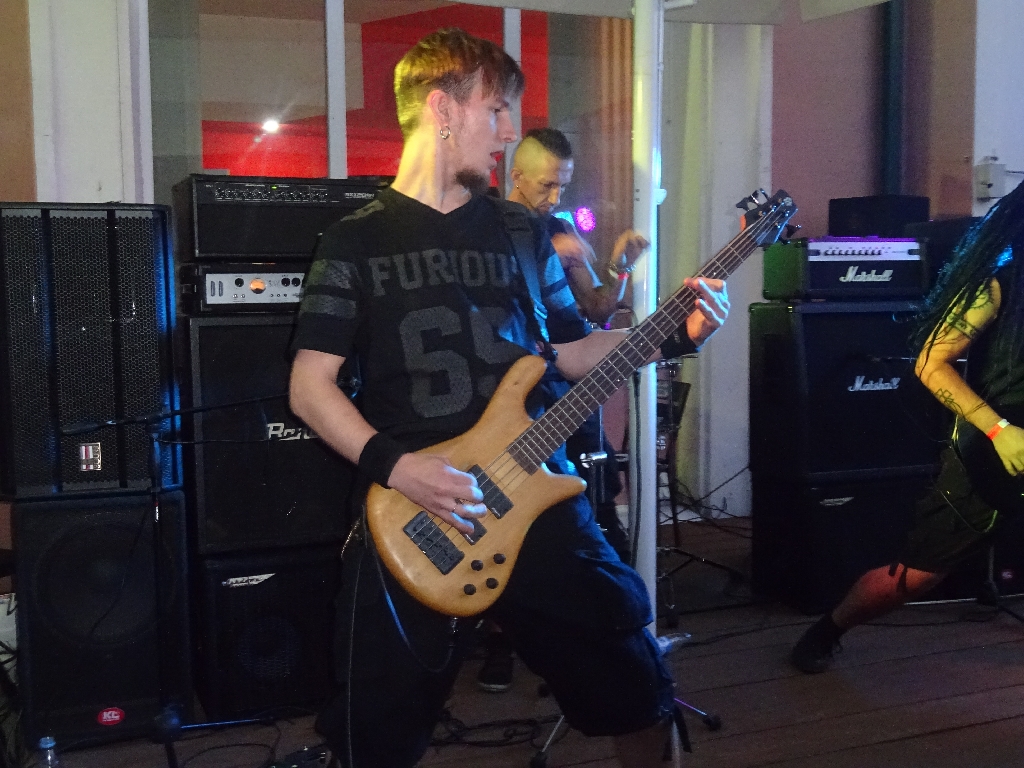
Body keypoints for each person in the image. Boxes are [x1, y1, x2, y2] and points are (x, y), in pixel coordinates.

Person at [289, 28, 730, 767]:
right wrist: (400, 468)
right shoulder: (353, 242)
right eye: (495, 110)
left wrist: (672, 336)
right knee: (375, 729)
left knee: (634, 682)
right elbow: (309, 387)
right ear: (442, 108)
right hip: (413, 508)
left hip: (535, 490)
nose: (506, 133)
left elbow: (571, 353)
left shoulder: (524, 232)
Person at [790, 178, 1024, 674]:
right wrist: (999, 430)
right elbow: (930, 364)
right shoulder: (997, 284)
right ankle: (828, 630)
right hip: (994, 451)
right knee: (917, 575)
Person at [476, 128, 650, 694]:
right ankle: (499, 642)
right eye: (547, 185)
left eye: (564, 187)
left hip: (567, 391)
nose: (555, 198)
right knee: (505, 511)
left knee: (589, 495)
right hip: (511, 398)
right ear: (516, 176)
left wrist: (620, 266)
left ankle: (602, 632)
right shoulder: (487, 230)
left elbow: (597, 310)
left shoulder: (561, 230)